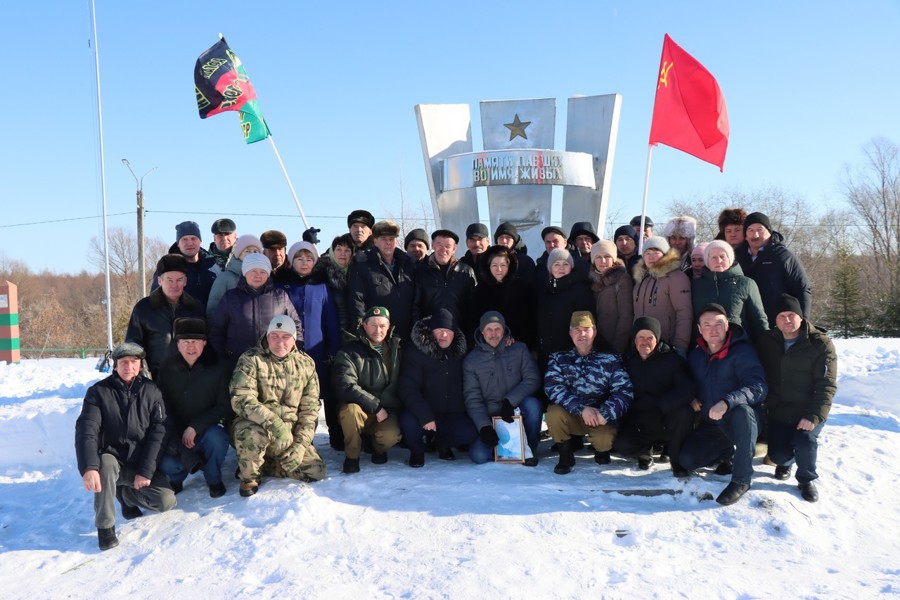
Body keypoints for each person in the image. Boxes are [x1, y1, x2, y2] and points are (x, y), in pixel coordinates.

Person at [75, 342, 176, 551]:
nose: (128, 366)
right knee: (105, 464)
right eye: (123, 362)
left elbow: (159, 431)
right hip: (113, 461)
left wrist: (145, 470)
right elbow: (87, 431)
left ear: (140, 365)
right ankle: (105, 527)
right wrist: (89, 468)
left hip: (140, 462)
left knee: (166, 501)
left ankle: (126, 495)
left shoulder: (152, 391)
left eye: (134, 362)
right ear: (115, 366)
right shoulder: (98, 392)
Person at [680, 304, 767, 505]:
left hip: (742, 421)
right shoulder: (696, 355)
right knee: (688, 460)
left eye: (719, 324)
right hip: (712, 424)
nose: (713, 329)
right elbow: (688, 382)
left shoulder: (742, 351)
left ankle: (742, 479)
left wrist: (728, 402)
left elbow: (758, 386)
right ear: (700, 329)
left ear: (727, 326)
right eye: (707, 325)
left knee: (742, 412)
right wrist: (691, 397)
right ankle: (727, 454)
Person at [230, 315, 326, 496]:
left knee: (316, 471)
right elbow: (241, 398)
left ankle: (264, 464)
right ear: (267, 337)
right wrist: (274, 422)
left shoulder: (306, 364)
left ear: (294, 339)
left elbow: (310, 410)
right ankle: (249, 477)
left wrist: (300, 445)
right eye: (274, 336)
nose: (279, 342)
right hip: (258, 425)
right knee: (250, 434)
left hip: (289, 433)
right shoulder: (251, 359)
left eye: (285, 337)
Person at [757, 294, 837, 503]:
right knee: (779, 455)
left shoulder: (820, 344)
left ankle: (806, 479)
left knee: (805, 440)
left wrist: (813, 415)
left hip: (808, 408)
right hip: (780, 409)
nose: (787, 320)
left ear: (801, 317)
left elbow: (826, 385)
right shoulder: (767, 341)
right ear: (775, 320)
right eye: (781, 316)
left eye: (791, 315)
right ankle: (786, 462)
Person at [544, 311, 633, 474]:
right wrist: (581, 409)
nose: (582, 334)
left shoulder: (611, 358)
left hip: (599, 417)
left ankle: (601, 450)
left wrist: (605, 413)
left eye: (586, 329)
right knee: (553, 413)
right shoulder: (559, 357)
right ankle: (565, 455)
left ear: (595, 332)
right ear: (570, 333)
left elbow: (624, 391)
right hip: (573, 413)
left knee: (604, 441)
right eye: (577, 330)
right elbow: (552, 386)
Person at [399, 309, 489, 467]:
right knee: (408, 421)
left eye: (448, 331)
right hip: (425, 413)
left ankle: (442, 443)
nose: (444, 335)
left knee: (470, 432)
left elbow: (486, 351)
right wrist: (424, 415)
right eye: (439, 330)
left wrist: (508, 341)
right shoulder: (416, 352)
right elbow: (408, 387)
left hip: (452, 413)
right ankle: (417, 451)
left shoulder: (462, 352)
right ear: (431, 331)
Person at [156, 318, 233, 498]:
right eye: (186, 342)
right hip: (176, 433)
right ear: (177, 344)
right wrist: (175, 435)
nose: (191, 347)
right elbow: (161, 408)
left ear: (204, 343)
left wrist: (196, 426)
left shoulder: (219, 367)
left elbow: (226, 406)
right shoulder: (167, 368)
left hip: (207, 429)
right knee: (166, 462)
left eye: (195, 341)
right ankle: (176, 478)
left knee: (217, 439)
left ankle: (213, 478)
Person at [613, 317, 695, 475]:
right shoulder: (626, 360)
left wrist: (662, 406)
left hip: (664, 415)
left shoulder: (672, 359)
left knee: (685, 412)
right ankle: (645, 452)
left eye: (650, 338)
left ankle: (676, 459)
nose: (645, 342)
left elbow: (687, 389)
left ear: (657, 339)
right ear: (634, 340)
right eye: (640, 337)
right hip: (638, 419)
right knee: (622, 445)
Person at [463, 311, 543, 465]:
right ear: (481, 331)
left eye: (497, 329)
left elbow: (532, 379)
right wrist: (484, 427)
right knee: (478, 456)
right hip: (491, 417)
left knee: (533, 404)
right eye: (489, 330)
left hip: (516, 411)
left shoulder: (519, 349)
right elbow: (472, 399)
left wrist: (510, 401)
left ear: (504, 330)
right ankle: (506, 448)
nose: (494, 334)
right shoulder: (471, 361)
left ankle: (528, 449)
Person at [282, 241, 341, 449]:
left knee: (323, 395)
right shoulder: (283, 285)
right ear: (291, 261)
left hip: (318, 352)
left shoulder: (321, 287)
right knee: (295, 398)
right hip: (291, 353)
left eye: (309, 259)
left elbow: (331, 321)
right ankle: (302, 441)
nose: (304, 263)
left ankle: (337, 437)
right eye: (299, 258)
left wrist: (333, 350)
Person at [332, 306, 403, 474]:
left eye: (382, 326)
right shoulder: (350, 351)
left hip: (388, 410)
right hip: (361, 407)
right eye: (373, 325)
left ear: (389, 327)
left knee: (390, 436)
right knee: (350, 412)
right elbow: (345, 385)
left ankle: (377, 449)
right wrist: (375, 406)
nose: (378, 330)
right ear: (364, 326)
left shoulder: (398, 350)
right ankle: (352, 456)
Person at [209, 253, 302, 366]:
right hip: (237, 362)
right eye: (253, 271)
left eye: (263, 272)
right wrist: (223, 358)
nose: (258, 275)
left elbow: (296, 326)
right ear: (245, 272)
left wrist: (291, 353)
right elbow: (216, 331)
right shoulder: (231, 297)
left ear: (268, 275)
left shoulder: (280, 296)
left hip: (272, 364)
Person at [126, 254, 206, 379]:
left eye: (179, 280)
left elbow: (206, 343)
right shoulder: (144, 308)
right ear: (160, 281)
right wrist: (143, 376)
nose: (174, 285)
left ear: (185, 281)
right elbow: (133, 345)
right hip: (156, 379)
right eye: (169, 280)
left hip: (191, 379)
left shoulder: (196, 308)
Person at [736, 212, 812, 326]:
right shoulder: (735, 258)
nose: (755, 235)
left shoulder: (783, 256)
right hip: (746, 326)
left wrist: (803, 321)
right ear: (745, 235)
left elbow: (802, 289)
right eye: (750, 230)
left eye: (760, 229)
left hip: (778, 326)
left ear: (770, 231)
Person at [348, 220, 417, 340]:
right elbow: (357, 302)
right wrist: (362, 333)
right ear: (375, 241)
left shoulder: (408, 264)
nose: (388, 243)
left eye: (391, 239)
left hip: (408, 334)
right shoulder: (363, 265)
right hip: (378, 335)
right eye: (384, 239)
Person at [692, 240, 769, 339]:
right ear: (707, 261)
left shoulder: (746, 283)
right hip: (704, 346)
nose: (718, 261)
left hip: (738, 345)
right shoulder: (696, 285)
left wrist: (767, 344)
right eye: (713, 257)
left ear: (730, 259)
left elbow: (759, 319)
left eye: (722, 257)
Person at [632, 236, 693, 354]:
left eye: (656, 252)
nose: (651, 256)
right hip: (641, 347)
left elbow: (684, 314)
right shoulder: (641, 280)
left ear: (665, 254)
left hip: (666, 347)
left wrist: (680, 346)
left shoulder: (676, 278)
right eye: (647, 253)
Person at [536, 247, 594, 370]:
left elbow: (588, 320)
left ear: (571, 267)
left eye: (565, 264)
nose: (561, 268)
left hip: (570, 352)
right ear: (550, 268)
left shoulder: (580, 289)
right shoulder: (544, 290)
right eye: (556, 264)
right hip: (546, 351)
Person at [413, 228, 477, 338]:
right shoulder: (421, 272)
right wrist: (420, 332)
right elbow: (415, 307)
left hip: (460, 335)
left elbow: (473, 306)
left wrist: (470, 334)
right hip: (431, 335)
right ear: (433, 245)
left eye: (448, 246)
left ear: (454, 248)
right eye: (439, 244)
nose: (443, 249)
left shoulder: (466, 272)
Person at [471, 244, 537, 351]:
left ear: (509, 265)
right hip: (490, 346)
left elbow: (530, 319)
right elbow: (476, 320)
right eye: (494, 265)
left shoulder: (523, 287)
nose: (499, 269)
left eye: (503, 265)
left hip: (519, 345)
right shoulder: (480, 290)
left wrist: (516, 338)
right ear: (488, 266)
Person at [150, 221, 218, 306]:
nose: (189, 243)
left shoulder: (214, 266)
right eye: (184, 239)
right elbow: (156, 301)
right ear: (178, 244)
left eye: (193, 238)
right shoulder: (168, 267)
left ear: (200, 241)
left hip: (212, 318)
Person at [589, 239, 634, 354]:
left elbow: (626, 316)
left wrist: (618, 348)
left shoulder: (622, 279)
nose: (603, 261)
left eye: (607, 256)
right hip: (593, 344)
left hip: (613, 345)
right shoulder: (591, 280)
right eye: (598, 257)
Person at [206, 234, 262, 319]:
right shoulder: (225, 278)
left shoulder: (265, 278)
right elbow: (213, 310)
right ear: (238, 254)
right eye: (247, 251)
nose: (251, 254)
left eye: (255, 251)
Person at [313, 234, 356, 332]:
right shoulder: (321, 274)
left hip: (355, 333)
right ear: (332, 252)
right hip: (331, 331)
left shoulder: (357, 274)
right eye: (339, 249)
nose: (343, 253)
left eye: (347, 250)